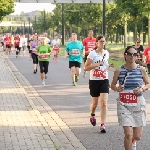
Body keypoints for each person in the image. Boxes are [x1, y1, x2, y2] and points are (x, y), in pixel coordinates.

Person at [111, 46, 150, 150]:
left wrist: (142, 89)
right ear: (125, 55)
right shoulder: (119, 70)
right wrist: (117, 88)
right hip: (124, 105)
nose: (132, 56)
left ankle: (133, 142)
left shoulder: (141, 69)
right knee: (128, 134)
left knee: (137, 136)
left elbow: (148, 83)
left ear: (137, 56)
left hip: (138, 104)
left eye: (134, 54)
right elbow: (112, 85)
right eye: (129, 54)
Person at [84, 35, 113, 133]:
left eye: (104, 41)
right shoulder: (92, 54)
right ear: (96, 43)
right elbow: (86, 67)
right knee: (95, 104)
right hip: (94, 80)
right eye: (101, 41)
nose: (103, 43)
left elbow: (104, 65)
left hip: (104, 79)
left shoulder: (106, 53)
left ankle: (102, 124)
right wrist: (97, 64)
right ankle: (92, 114)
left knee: (104, 102)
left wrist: (108, 66)